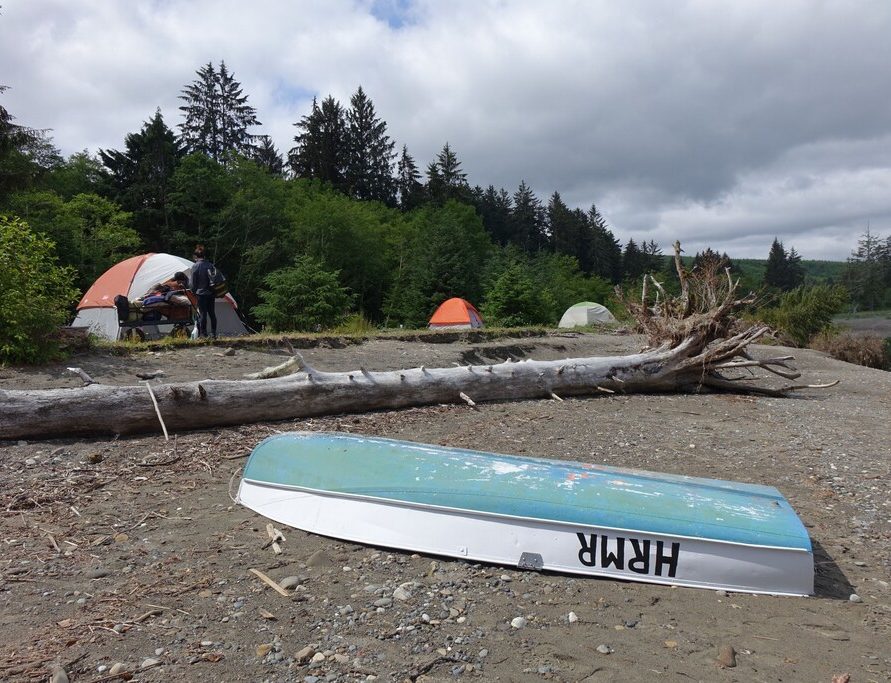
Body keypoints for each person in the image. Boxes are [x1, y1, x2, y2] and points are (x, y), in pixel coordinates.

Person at [189, 245, 217, 339]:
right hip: (211, 293)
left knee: (203, 314)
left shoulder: (195, 266)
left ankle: (203, 334)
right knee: (212, 313)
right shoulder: (210, 265)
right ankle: (213, 333)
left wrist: (193, 292)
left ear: (196, 256)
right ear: (204, 256)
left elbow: (193, 283)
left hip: (201, 293)